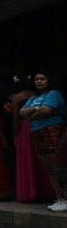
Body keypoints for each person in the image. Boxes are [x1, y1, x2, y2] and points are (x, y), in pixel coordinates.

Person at [18, 72, 66, 212]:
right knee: (48, 167)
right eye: (37, 79)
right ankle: (60, 198)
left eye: (42, 79)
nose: (39, 82)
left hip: (52, 130)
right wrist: (36, 109)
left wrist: (32, 113)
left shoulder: (54, 94)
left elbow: (46, 110)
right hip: (36, 132)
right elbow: (22, 113)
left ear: (49, 81)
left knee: (58, 166)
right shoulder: (33, 98)